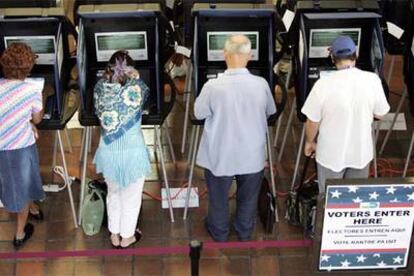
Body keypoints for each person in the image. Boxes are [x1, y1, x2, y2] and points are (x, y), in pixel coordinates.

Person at [194, 35, 276, 242]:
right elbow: (270, 111)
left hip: (220, 154)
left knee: (218, 198)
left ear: (225, 55)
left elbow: (198, 113)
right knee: (248, 198)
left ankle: (219, 232)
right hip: (252, 154)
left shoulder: (212, 86)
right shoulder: (261, 84)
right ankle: (244, 231)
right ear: (250, 56)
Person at [302, 35, 390, 192]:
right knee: (352, 203)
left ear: (332, 58)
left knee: (329, 201)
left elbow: (312, 121)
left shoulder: (323, 84)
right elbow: (381, 114)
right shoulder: (372, 80)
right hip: (361, 153)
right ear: (356, 55)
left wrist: (310, 142)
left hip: (330, 154)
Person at [93, 50, 151, 249]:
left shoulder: (99, 88)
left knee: (114, 193)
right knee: (131, 197)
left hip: (108, 152)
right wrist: (136, 77)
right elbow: (144, 95)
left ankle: (114, 234)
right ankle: (127, 237)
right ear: (132, 70)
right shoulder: (138, 88)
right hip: (133, 152)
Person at [0, 43, 46, 249]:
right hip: (20, 149)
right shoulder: (31, 90)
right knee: (21, 189)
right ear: (28, 67)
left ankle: (33, 207)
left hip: (2, 147)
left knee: (16, 182)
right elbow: (37, 119)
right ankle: (20, 234)